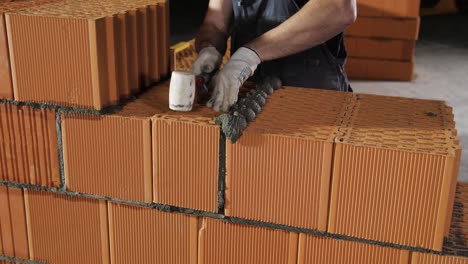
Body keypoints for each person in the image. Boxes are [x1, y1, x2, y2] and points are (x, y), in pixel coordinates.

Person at [192, 0, 357, 112]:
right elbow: (215, 22)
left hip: (314, 100)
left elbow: (339, 9)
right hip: (247, 96)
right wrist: (208, 47)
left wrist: (250, 54)